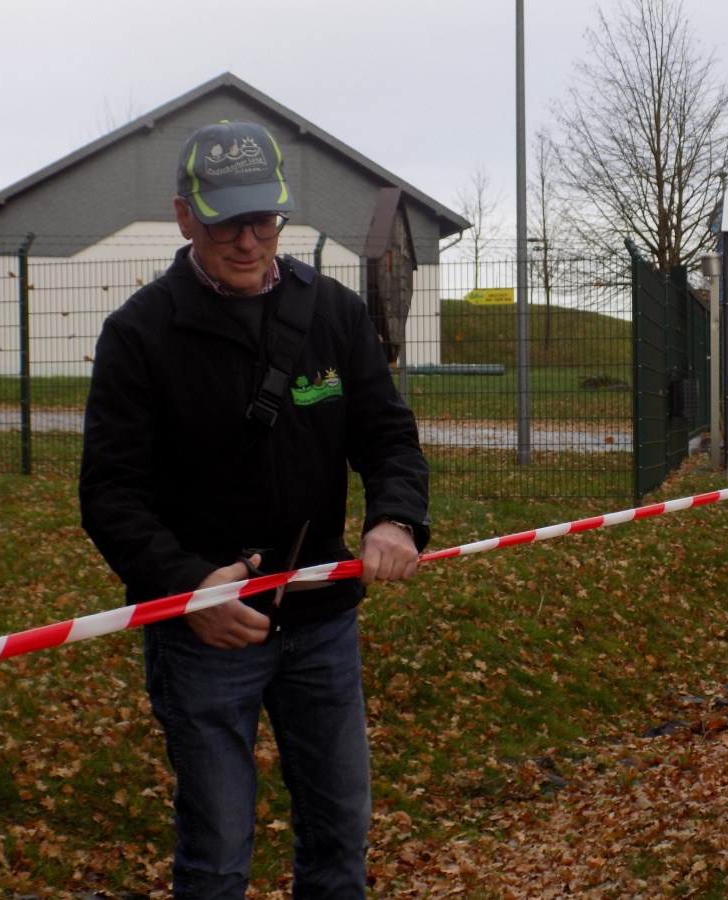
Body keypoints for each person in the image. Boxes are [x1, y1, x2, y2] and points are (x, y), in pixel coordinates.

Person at [79, 119, 429, 899]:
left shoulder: (333, 315)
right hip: (203, 639)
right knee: (215, 856)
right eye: (224, 221)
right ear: (183, 217)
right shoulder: (138, 335)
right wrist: (187, 587)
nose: (247, 240)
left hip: (322, 623)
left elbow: (389, 437)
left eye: (263, 218)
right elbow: (110, 493)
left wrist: (395, 517)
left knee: (340, 839)